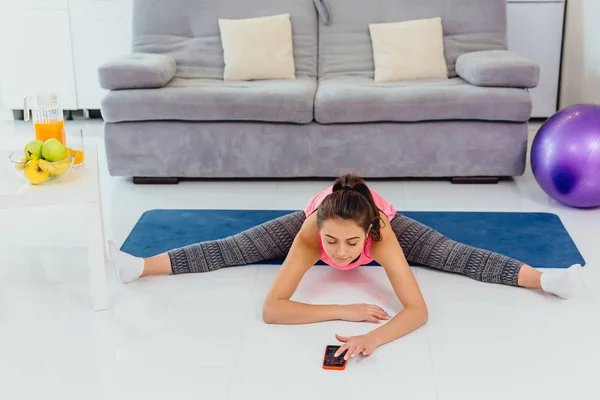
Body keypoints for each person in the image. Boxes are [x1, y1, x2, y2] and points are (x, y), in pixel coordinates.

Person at [108, 173, 579, 361]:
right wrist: (344, 309)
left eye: (352, 243)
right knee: (236, 247)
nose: (342, 251)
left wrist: (372, 338)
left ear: (370, 232)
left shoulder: (384, 233)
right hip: (317, 217)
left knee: (452, 255)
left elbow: (416, 310)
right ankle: (140, 268)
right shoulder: (312, 231)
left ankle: (544, 278)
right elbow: (273, 308)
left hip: (386, 220)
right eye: (332, 241)